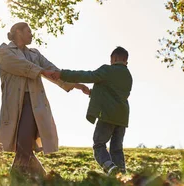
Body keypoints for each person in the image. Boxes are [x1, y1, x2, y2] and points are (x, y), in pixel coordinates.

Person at [0, 22, 90, 177]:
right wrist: (41, 71)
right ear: (18, 32)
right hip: (14, 105)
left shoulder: (35, 54)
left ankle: (22, 178)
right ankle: (38, 177)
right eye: (28, 31)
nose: (31, 35)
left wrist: (76, 84)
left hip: (33, 104)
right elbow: (19, 65)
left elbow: (53, 71)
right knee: (23, 145)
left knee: (24, 143)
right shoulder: (5, 51)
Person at [50, 46, 133, 175]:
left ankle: (109, 167)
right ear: (126, 61)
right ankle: (121, 173)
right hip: (122, 116)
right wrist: (91, 92)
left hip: (107, 114)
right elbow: (114, 93)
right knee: (117, 148)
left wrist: (63, 74)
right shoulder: (128, 76)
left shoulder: (107, 70)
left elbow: (87, 75)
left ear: (114, 58)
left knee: (99, 143)